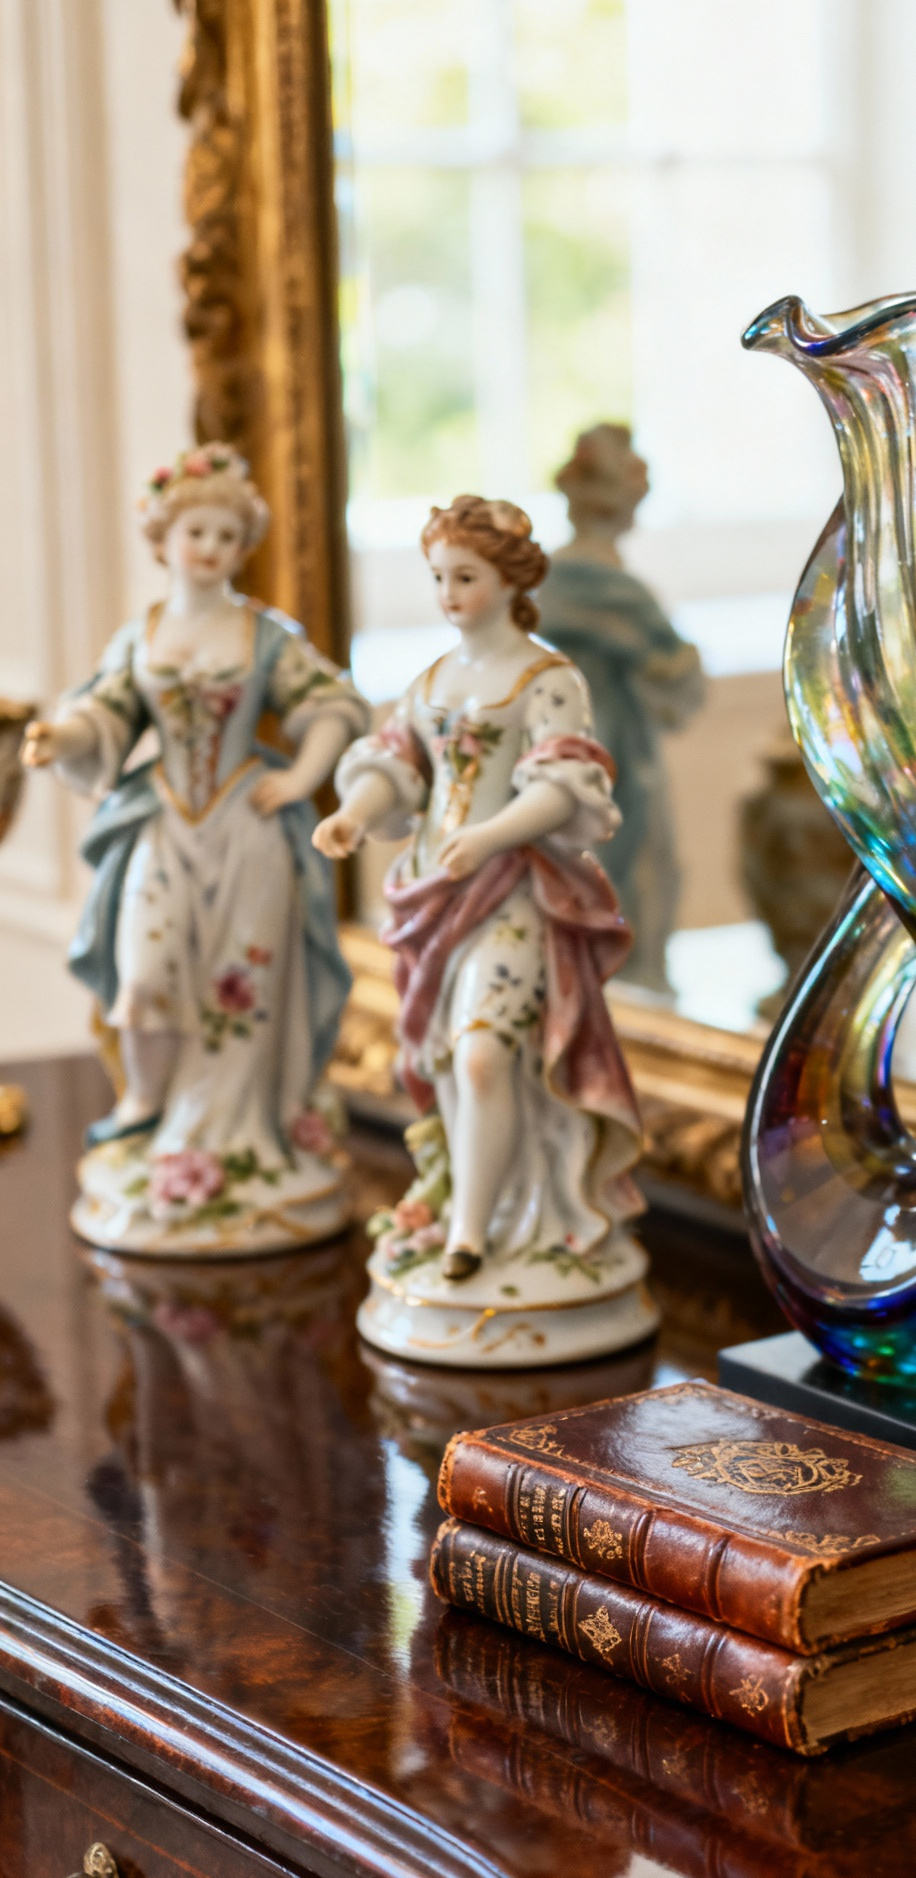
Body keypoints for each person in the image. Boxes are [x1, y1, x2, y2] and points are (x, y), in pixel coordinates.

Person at [316, 495, 653, 1365]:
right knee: (445, 1059)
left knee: (482, 1053)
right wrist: (355, 814)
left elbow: (564, 785)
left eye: (464, 577)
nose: (448, 593)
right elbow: (394, 763)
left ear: (509, 580)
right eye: (438, 577)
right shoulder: (431, 680)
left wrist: (492, 833)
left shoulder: (546, 680)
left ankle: (471, 1231)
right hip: (437, 898)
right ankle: (484, 1212)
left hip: (514, 896)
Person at [22, 444, 367, 1252]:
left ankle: (243, 1131)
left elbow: (334, 706)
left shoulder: (264, 635)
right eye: (194, 532)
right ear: (163, 539)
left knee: (241, 979)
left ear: (241, 545)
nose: (208, 547)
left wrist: (303, 778)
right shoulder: (141, 634)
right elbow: (103, 715)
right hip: (165, 821)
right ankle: (148, 1104)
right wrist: (56, 732)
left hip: (248, 825)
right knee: (143, 974)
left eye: (223, 534)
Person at [537, 425, 704, 994]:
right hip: (615, 752)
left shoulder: (545, 584)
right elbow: (677, 679)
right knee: (628, 870)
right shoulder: (618, 592)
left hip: (556, 749)